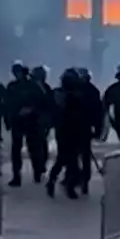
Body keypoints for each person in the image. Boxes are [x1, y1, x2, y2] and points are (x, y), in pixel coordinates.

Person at [48, 68, 100, 199]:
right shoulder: (63, 95)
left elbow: (90, 112)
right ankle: (61, 183)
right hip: (68, 131)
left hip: (78, 130)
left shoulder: (80, 94)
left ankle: (64, 183)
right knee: (67, 159)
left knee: (69, 160)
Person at [3, 63, 46, 186]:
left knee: (33, 149)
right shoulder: (13, 86)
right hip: (18, 121)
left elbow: (41, 102)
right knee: (17, 150)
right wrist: (8, 119)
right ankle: (17, 175)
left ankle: (36, 172)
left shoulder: (32, 86)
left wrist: (31, 109)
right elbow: (7, 104)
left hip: (31, 121)